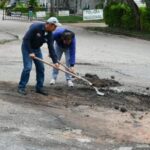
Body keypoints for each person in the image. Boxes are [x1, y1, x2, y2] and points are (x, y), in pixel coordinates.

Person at [18, 17, 61, 95]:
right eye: (55, 26)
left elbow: (51, 47)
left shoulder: (50, 34)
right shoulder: (36, 27)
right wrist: (30, 52)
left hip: (37, 49)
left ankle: (39, 88)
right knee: (28, 67)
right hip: (27, 48)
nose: (55, 28)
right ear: (50, 25)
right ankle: (21, 87)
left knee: (41, 68)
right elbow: (26, 39)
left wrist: (55, 61)